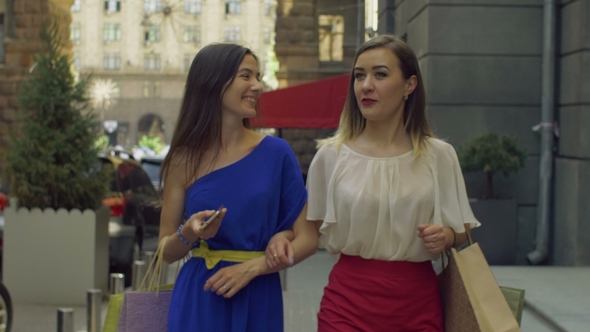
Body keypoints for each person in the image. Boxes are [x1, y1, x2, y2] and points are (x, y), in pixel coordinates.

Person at [267, 35, 481, 331]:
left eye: (380, 74)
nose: (366, 85)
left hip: (417, 305)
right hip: (346, 306)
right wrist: (282, 238)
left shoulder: (439, 156)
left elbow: (463, 231)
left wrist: (446, 235)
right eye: (359, 76)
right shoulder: (331, 156)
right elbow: (307, 230)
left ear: (410, 85)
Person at [157, 43, 318, 332]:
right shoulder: (182, 159)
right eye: (246, 76)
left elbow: (308, 239)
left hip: (258, 292)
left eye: (258, 77)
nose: (257, 86)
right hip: (200, 296)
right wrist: (189, 232)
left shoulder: (277, 152)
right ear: (213, 83)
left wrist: (254, 268)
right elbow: (165, 251)